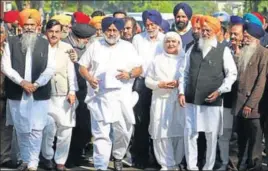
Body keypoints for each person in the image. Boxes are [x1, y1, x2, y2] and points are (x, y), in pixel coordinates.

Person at [78, 17, 142, 171]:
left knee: (124, 131)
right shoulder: (95, 46)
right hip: (100, 96)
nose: (112, 33)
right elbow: (82, 67)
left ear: (120, 31)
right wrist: (89, 78)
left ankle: (118, 156)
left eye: (115, 30)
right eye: (109, 30)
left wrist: (129, 74)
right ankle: (101, 166)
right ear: (104, 30)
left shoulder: (128, 47)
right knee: (101, 134)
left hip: (122, 96)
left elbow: (139, 68)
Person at [178, 16, 237, 170]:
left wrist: (220, 91)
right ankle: (192, 167)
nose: (204, 33)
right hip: (191, 99)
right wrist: (181, 92)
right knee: (190, 134)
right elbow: (183, 73)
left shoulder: (223, 51)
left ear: (216, 31)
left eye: (207, 30)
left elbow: (232, 74)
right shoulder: (192, 48)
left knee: (211, 136)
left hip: (212, 101)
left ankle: (208, 167)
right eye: (202, 30)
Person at [1, 9, 55, 171]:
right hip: (18, 92)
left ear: (38, 26)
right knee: (22, 128)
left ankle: (33, 162)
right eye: (27, 25)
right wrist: (22, 82)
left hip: (39, 92)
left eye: (33, 25)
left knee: (37, 129)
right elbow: (6, 66)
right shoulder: (11, 42)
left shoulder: (45, 43)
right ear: (21, 26)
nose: (29, 28)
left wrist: (37, 83)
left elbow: (50, 68)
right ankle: (25, 160)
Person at [40, 19, 78, 171]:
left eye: (57, 31)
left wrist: (72, 91)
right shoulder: (40, 47)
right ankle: (47, 157)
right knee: (48, 128)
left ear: (61, 33)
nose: (54, 35)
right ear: (46, 32)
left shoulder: (67, 48)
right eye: (51, 31)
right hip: (45, 95)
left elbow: (71, 72)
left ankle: (61, 161)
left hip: (64, 94)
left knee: (66, 130)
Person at [145, 32, 185, 170]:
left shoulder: (184, 59)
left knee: (178, 131)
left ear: (179, 43)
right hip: (160, 101)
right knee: (161, 132)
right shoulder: (157, 60)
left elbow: (189, 79)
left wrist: (178, 83)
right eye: (168, 41)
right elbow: (148, 81)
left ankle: (176, 161)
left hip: (178, 102)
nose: (171, 44)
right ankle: (165, 164)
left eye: (174, 41)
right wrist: (159, 84)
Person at [131, 9, 164, 168]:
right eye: (147, 25)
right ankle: (140, 158)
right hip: (142, 83)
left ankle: (158, 159)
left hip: (160, 86)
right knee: (141, 121)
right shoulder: (138, 39)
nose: (150, 27)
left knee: (158, 121)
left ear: (158, 24)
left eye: (153, 24)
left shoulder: (165, 39)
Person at [233, 22, 267, 171]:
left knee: (254, 142)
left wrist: (250, 104)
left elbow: (261, 82)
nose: (244, 39)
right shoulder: (242, 51)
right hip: (238, 104)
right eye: (244, 36)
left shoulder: (263, 53)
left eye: (247, 37)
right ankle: (235, 166)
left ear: (256, 38)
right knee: (237, 140)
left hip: (254, 108)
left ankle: (254, 167)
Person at [63, 23, 96, 167]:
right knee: (68, 126)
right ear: (77, 38)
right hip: (67, 91)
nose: (87, 42)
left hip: (84, 91)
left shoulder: (87, 46)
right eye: (85, 39)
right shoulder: (64, 46)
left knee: (84, 126)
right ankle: (66, 158)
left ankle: (77, 154)